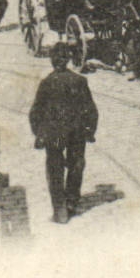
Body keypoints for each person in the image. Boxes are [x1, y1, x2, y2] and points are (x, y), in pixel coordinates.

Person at [29, 43, 99, 224]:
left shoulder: (46, 83)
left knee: (55, 170)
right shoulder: (79, 81)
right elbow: (91, 109)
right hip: (76, 131)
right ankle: (72, 201)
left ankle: (59, 209)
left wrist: (38, 133)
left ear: (52, 61)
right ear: (67, 60)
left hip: (54, 133)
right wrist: (90, 130)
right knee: (76, 165)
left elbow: (35, 112)